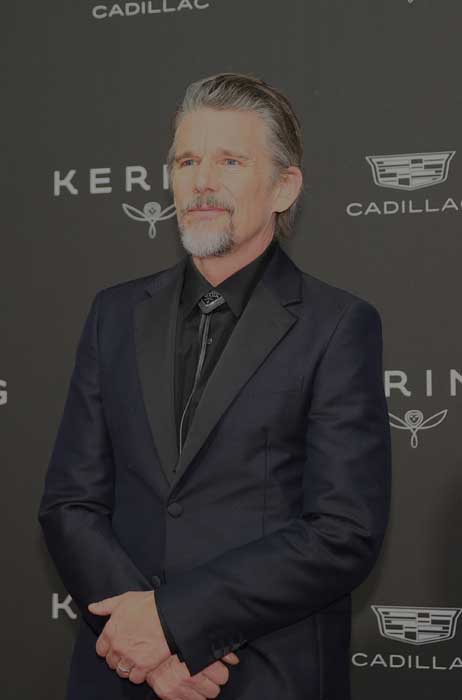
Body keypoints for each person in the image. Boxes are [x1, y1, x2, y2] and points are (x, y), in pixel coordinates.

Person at [38, 72, 391, 700]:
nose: (202, 181)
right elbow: (71, 503)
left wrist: (173, 624)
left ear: (284, 187)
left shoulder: (337, 325)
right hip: (121, 670)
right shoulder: (114, 314)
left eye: (230, 161)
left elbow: (343, 530)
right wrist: (145, 645)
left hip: (263, 673)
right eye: (187, 161)